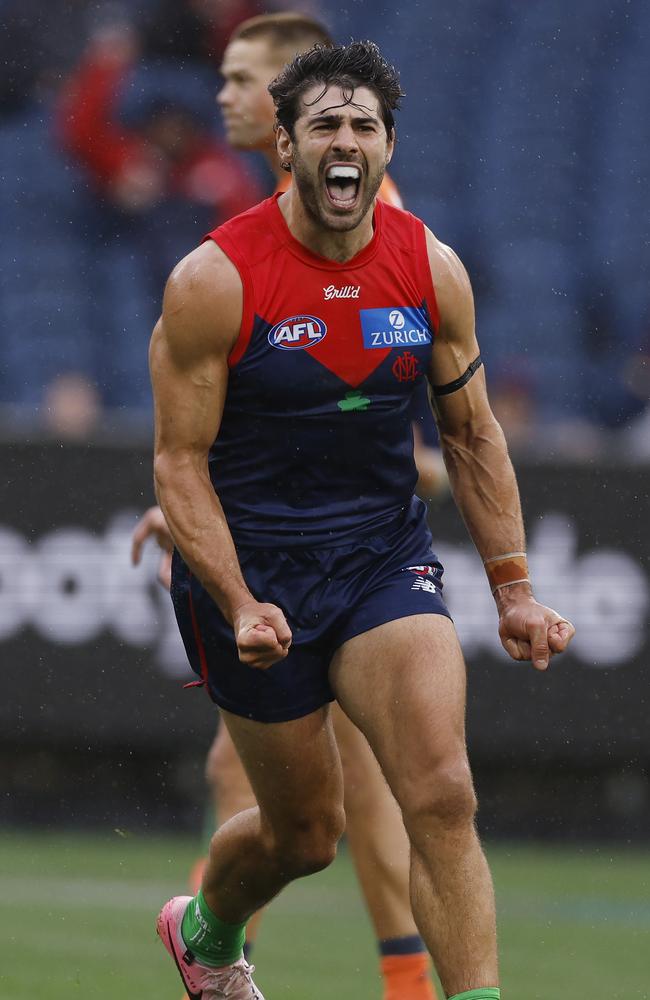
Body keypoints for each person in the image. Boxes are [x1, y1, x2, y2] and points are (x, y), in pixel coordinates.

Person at [150, 39, 575, 1000]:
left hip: (385, 557)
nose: (347, 141)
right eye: (326, 126)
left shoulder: (430, 266)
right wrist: (238, 597)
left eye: (365, 126)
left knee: (444, 792)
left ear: (385, 148)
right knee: (307, 835)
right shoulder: (213, 280)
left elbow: (471, 433)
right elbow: (177, 464)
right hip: (258, 575)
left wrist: (515, 589)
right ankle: (206, 931)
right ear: (289, 149)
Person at [134, 15, 444, 1000]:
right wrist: (192, 497)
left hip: (344, 547)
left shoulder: (361, 211)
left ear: (285, 96)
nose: (222, 94)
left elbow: (384, 418)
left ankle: (219, 954)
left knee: (369, 790)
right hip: (278, 538)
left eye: (240, 78)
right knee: (329, 798)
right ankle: (233, 958)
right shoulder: (254, 222)